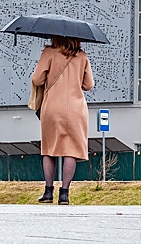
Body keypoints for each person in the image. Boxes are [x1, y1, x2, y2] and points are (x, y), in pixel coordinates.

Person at [31, 36, 94, 205]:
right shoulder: (81, 56)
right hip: (75, 109)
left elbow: (37, 79)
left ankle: (48, 191)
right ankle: (64, 193)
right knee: (71, 150)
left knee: (49, 149)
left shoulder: (49, 53)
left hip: (52, 107)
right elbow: (89, 85)